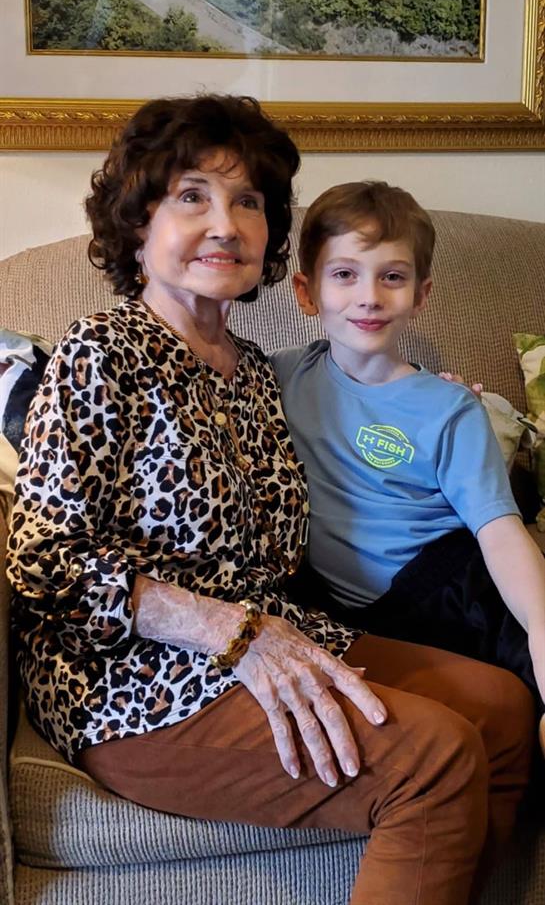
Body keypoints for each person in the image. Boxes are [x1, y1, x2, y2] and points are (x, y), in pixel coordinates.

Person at [7, 98, 534, 905]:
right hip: (137, 680)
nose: (224, 223)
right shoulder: (101, 351)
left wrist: (450, 402)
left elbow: (367, 409)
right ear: (138, 226)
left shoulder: (261, 371)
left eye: (246, 200)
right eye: (191, 195)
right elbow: (40, 559)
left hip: (276, 633)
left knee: (500, 709)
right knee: (434, 757)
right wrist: (227, 630)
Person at [271, 179, 545, 756]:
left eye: (391, 276)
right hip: (343, 608)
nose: (368, 296)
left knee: (509, 613)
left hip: (443, 581)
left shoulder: (448, 409)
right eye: (344, 274)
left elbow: (499, 535)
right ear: (306, 291)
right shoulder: (278, 377)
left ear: (421, 295)